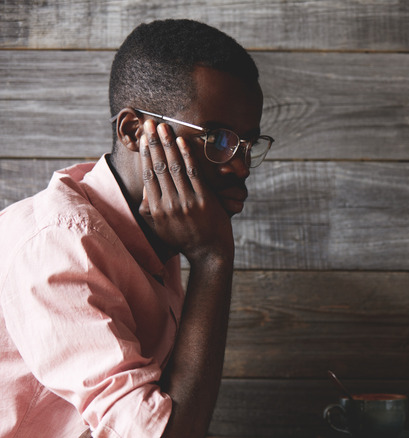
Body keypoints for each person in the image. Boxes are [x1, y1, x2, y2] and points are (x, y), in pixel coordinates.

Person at [0, 19, 274, 437]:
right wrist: (213, 259)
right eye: (218, 138)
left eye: (248, 144)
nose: (239, 165)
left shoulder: (153, 233)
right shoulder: (59, 245)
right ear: (134, 131)